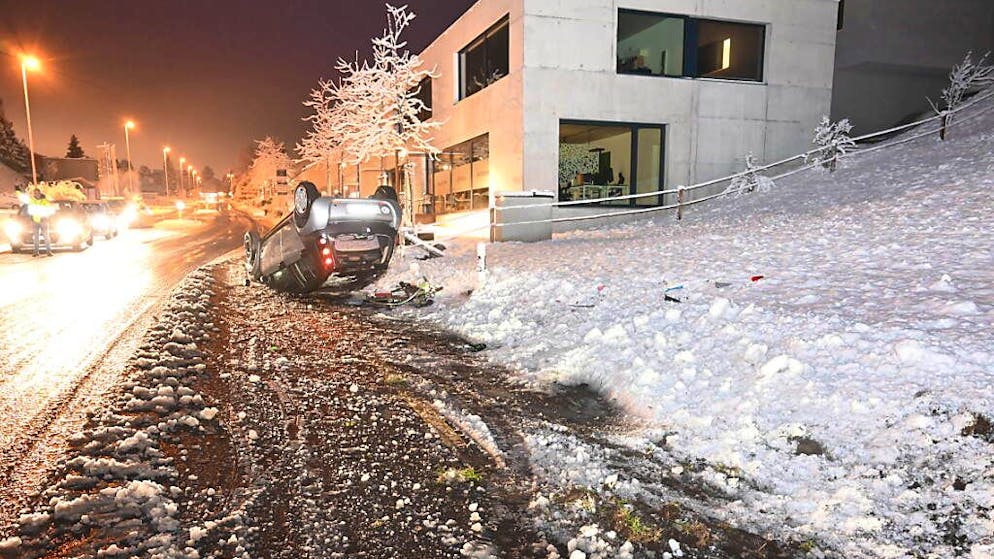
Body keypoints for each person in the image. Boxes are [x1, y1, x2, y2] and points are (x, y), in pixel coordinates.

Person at [27, 188, 54, 257]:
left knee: (46, 236)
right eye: (35, 193)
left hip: (43, 220)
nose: (36, 194)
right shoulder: (31, 201)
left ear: (40, 193)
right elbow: (30, 210)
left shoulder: (45, 201)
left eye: (37, 193)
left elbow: (49, 209)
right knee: (36, 237)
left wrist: (46, 216)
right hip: (35, 221)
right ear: (34, 194)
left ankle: (48, 251)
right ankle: (36, 252)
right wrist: (31, 218)